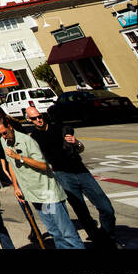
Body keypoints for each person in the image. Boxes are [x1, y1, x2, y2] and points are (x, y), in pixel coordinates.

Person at [26, 105, 118, 248]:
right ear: (29, 120)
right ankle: (100, 241)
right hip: (62, 176)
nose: (38, 120)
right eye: (34, 118)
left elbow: (80, 148)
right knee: (82, 212)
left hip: (81, 171)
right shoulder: (34, 138)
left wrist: (76, 142)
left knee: (106, 207)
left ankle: (107, 235)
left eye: (40, 116)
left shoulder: (59, 128)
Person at [0, 114, 84, 249]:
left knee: (66, 232)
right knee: (55, 232)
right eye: (1, 134)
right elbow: (11, 165)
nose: (4, 136)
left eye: (5, 133)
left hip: (47, 192)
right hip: (33, 194)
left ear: (10, 127)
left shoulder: (27, 141)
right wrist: (16, 187)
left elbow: (43, 165)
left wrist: (20, 157)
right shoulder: (4, 141)